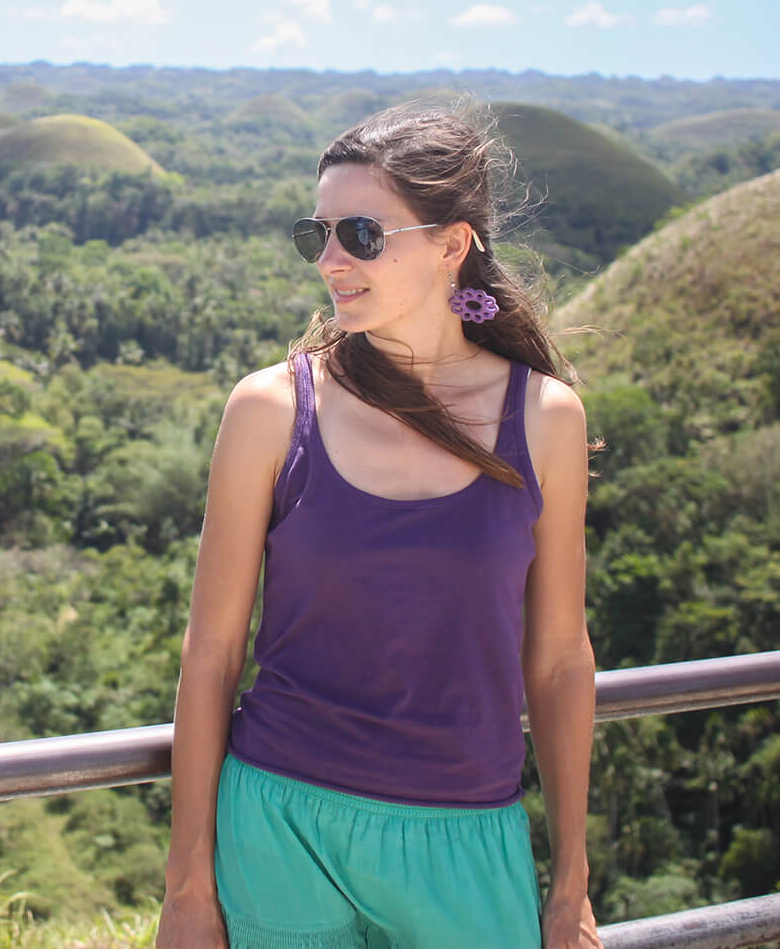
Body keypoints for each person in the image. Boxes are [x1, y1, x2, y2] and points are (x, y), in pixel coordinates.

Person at [155, 99, 602, 949]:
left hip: (464, 838)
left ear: (452, 243)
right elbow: (210, 653)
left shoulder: (545, 418)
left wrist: (571, 883)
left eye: (360, 235)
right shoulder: (272, 408)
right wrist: (187, 885)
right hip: (279, 826)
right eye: (314, 234)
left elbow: (558, 659)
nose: (328, 261)